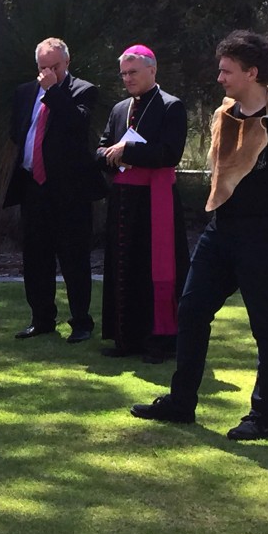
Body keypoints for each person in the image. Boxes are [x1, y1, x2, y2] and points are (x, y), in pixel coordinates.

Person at [132, 30, 268, 441]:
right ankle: (181, 403)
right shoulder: (224, 114)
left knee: (267, 326)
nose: (219, 77)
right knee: (191, 310)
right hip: (220, 232)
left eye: (227, 70)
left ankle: (263, 415)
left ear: (252, 72)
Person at [5, 37, 104, 343]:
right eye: (43, 67)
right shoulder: (24, 93)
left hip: (69, 191)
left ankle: (81, 322)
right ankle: (42, 318)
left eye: (55, 67)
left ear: (67, 64)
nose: (48, 73)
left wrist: (53, 91)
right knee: (36, 258)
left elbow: (77, 125)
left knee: (74, 257)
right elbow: (16, 131)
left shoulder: (82, 91)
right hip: (34, 187)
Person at [97, 45, 189, 363]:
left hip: (155, 200)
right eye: (123, 73)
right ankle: (126, 338)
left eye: (133, 72)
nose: (127, 78)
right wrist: (106, 155)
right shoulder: (120, 107)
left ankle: (159, 342)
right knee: (122, 269)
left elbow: (169, 153)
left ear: (153, 69)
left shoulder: (171, 106)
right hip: (123, 201)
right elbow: (103, 146)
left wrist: (127, 153)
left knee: (154, 269)